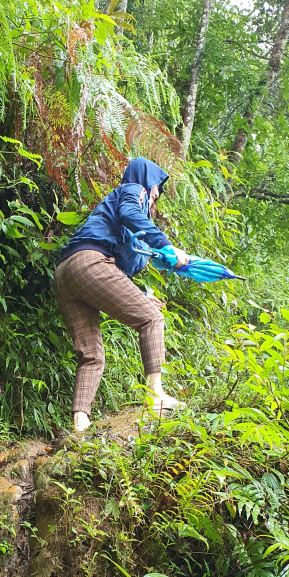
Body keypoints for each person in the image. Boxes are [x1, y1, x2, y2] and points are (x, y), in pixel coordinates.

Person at [53, 158, 190, 432]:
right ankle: (155, 396)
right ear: (146, 179)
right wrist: (166, 244)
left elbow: (118, 265)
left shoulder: (125, 223)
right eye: (156, 186)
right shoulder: (133, 189)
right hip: (91, 263)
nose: (156, 194)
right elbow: (129, 213)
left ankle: (80, 425)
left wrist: (138, 292)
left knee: (92, 354)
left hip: (66, 273)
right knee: (151, 319)